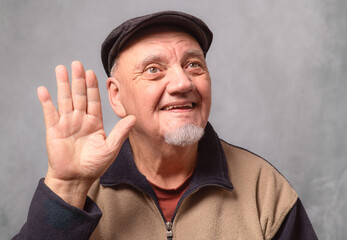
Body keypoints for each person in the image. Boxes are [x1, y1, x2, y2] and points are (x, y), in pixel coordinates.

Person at [13, 11, 318, 239]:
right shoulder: (81, 187)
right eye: (154, 69)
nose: (183, 82)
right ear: (117, 97)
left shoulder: (264, 189)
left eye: (193, 65)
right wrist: (67, 190)